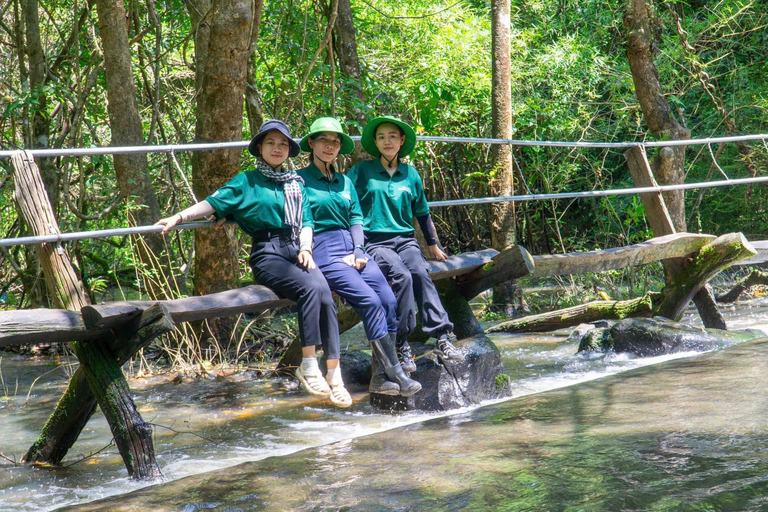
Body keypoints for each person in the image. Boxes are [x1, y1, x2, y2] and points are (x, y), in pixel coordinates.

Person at [156, 120, 350, 408]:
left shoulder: (295, 183)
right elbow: (212, 202)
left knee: (324, 292)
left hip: (297, 247)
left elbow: (307, 221)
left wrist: (307, 248)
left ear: (289, 150)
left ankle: (334, 372)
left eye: (283, 144)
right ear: (260, 148)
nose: (277, 148)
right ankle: (308, 364)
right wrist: (180, 217)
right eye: (271, 143)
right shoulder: (245, 181)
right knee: (312, 287)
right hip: (268, 253)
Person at [297, 117, 421, 397]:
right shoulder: (300, 180)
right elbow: (302, 218)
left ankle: (379, 377)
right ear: (312, 144)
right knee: (370, 301)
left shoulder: (344, 181)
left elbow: (355, 216)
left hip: (353, 246)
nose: (330, 146)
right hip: (323, 248)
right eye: (323, 140)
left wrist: (359, 250)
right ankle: (397, 373)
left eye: (335, 141)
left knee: (388, 299)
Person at [348, 116, 463, 370]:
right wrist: (351, 246)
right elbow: (346, 206)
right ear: (375, 143)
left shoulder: (410, 173)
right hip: (375, 242)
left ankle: (442, 336)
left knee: (420, 272)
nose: (387, 141)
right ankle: (402, 342)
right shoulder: (361, 171)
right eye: (381, 137)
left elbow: (422, 212)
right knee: (402, 276)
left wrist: (433, 244)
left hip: (405, 240)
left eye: (392, 136)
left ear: (401, 141)